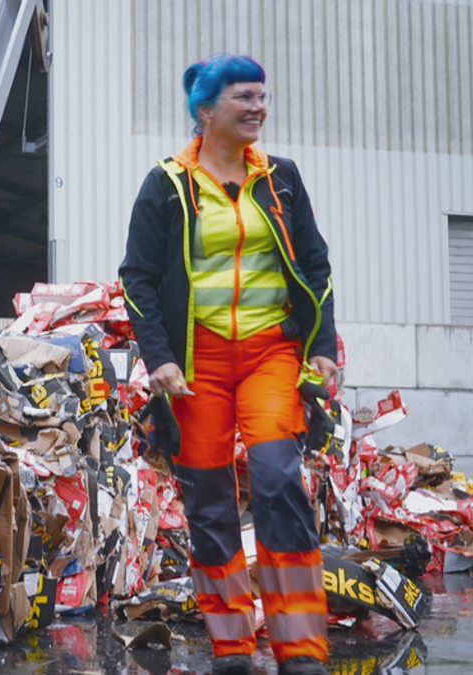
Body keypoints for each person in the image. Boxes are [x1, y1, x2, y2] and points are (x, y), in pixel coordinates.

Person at [118, 53, 337, 675]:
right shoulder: (168, 183)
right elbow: (136, 276)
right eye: (245, 97)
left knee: (275, 481)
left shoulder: (282, 179)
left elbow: (314, 266)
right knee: (210, 502)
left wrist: (323, 346)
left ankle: (300, 651)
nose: (258, 107)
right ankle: (233, 648)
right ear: (207, 110)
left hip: (271, 352)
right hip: (197, 365)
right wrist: (157, 358)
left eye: (263, 97)